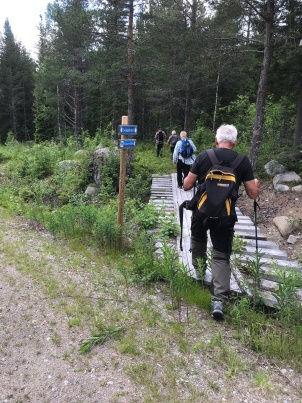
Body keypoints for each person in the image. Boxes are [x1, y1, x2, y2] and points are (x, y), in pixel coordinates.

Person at [183, 124, 260, 321]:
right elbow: (253, 194)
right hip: (225, 216)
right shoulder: (243, 161)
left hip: (201, 211)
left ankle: (199, 275)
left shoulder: (204, 156)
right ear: (234, 142)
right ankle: (218, 300)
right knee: (221, 255)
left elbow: (187, 185)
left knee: (198, 242)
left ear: (217, 139)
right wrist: (256, 184)